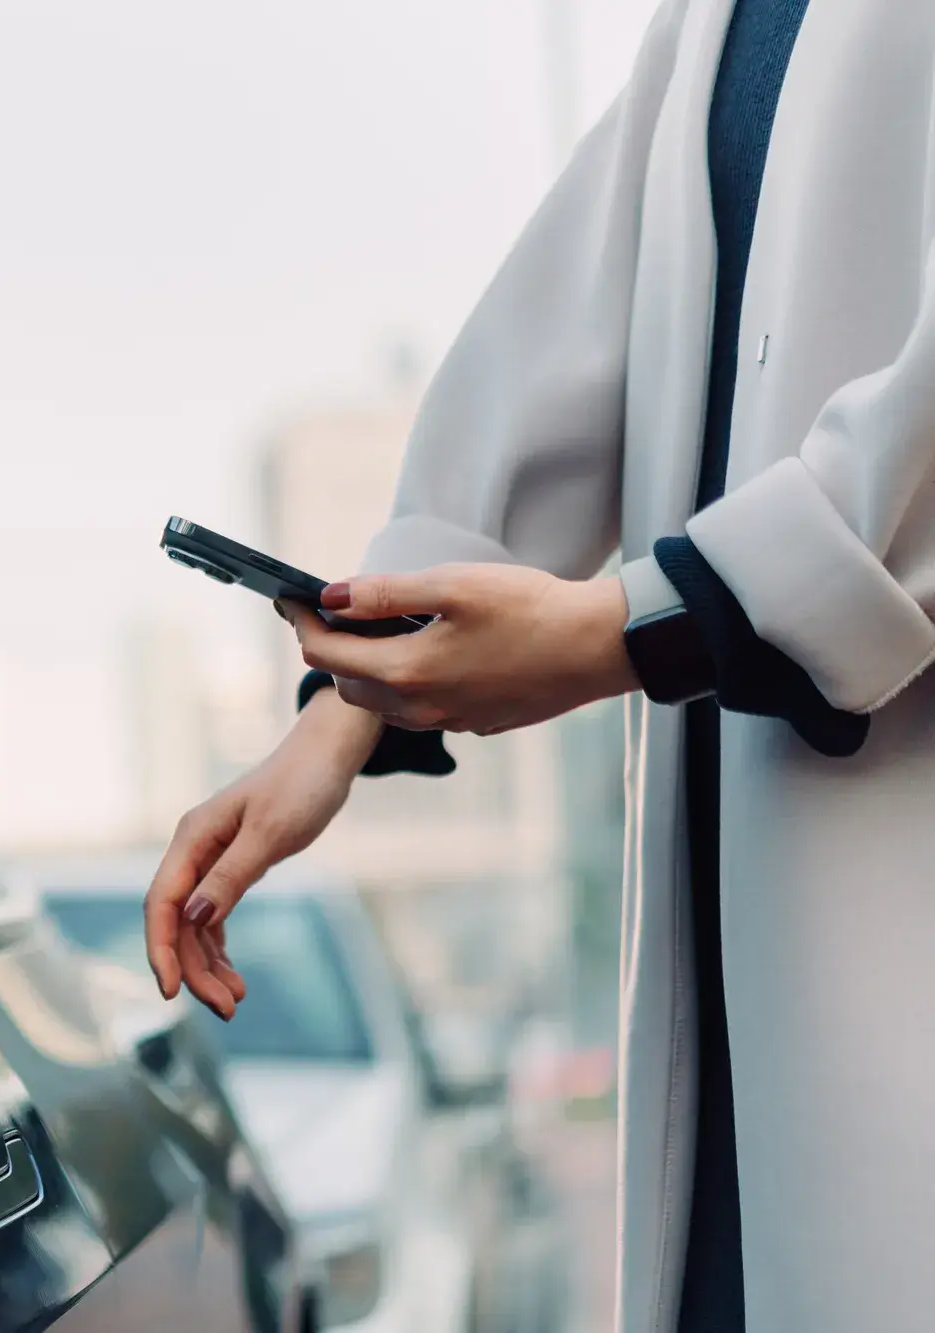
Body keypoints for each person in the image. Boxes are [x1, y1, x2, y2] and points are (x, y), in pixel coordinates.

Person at [144, 3, 935, 1329]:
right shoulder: (714, 27)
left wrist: (622, 626)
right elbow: (569, 334)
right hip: (759, 1049)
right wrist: (351, 699)